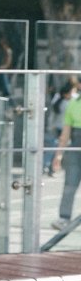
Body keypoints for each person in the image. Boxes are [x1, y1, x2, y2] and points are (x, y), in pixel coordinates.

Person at [52, 83, 81, 231]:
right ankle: (64, 217)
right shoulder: (73, 104)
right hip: (76, 146)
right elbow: (65, 133)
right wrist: (58, 155)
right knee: (70, 184)